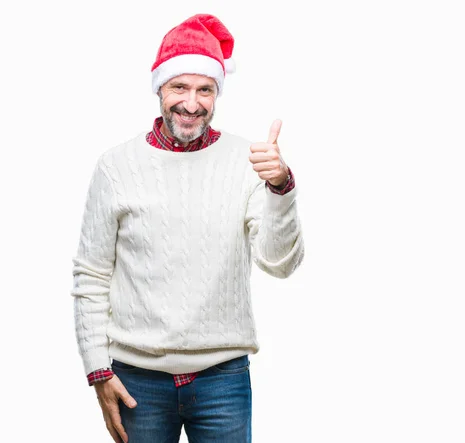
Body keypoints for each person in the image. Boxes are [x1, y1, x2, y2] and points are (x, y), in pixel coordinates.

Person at [70, 13, 304, 443]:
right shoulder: (116, 166)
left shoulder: (246, 161)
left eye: (205, 90)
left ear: (217, 93)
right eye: (180, 87)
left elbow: (279, 263)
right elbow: (92, 273)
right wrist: (97, 368)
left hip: (223, 381)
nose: (191, 103)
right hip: (137, 381)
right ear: (160, 87)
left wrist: (280, 188)